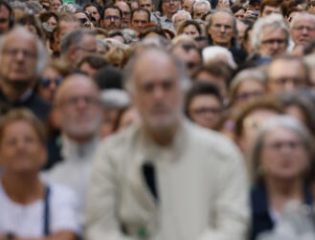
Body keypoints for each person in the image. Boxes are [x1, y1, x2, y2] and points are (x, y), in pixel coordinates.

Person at [85, 48, 249, 239]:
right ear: (132, 96)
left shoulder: (221, 153)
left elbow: (233, 224)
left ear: (183, 90)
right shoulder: (110, 155)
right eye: (148, 87)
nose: (158, 96)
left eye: (167, 86)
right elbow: (100, 228)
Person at [0, 110, 81, 239]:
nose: (21, 147)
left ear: (43, 152)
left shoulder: (62, 196)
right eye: (12, 142)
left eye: (29, 140)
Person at [249, 116, 315, 240]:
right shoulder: (245, 204)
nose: (286, 152)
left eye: (293, 145)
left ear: (307, 154)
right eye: (277, 146)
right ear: (259, 156)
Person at [45, 74, 103, 206]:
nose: (81, 106)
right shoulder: (41, 162)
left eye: (89, 100)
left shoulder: (119, 159)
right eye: (72, 100)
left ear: (101, 110)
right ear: (56, 115)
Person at [0, 27, 51, 122]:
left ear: (38, 63)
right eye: (13, 52)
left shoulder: (50, 116)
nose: (20, 58)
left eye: (27, 53)